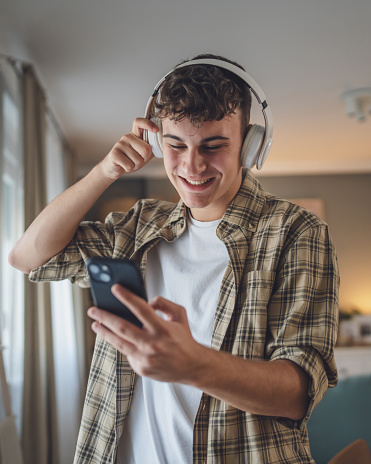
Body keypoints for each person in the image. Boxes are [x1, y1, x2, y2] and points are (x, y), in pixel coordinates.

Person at [9, 53, 339, 464]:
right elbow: (28, 258)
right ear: (155, 141)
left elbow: (298, 393)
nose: (192, 165)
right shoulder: (138, 226)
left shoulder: (296, 231)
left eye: (214, 145)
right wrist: (104, 172)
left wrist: (194, 365)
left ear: (251, 145)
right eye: (175, 144)